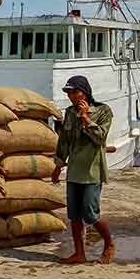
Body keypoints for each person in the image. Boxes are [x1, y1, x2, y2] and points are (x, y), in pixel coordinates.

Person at [51, 75, 116, 264]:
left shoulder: (103, 111)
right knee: (74, 215)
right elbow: (64, 141)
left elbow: (100, 138)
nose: (72, 96)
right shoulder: (70, 112)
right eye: (69, 93)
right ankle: (79, 253)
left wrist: (86, 117)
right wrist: (58, 166)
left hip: (92, 170)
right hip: (74, 170)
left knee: (90, 213)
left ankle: (109, 243)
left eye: (75, 92)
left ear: (85, 92)